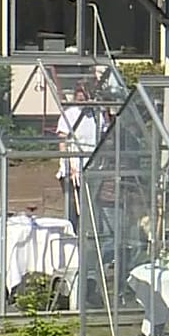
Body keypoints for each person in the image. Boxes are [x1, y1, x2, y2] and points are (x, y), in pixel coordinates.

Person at [56, 87, 98, 230]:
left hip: (91, 168)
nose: (82, 101)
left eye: (85, 98)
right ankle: (72, 236)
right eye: (79, 98)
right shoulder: (69, 115)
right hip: (72, 169)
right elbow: (62, 141)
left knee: (90, 209)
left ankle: (86, 240)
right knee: (73, 208)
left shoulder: (95, 116)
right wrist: (68, 163)